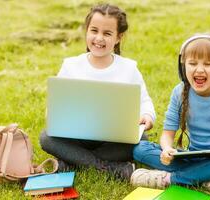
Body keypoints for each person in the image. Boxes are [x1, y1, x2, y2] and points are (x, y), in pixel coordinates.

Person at [39, 3, 155, 180]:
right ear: (87, 31)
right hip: (77, 135)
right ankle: (109, 169)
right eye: (94, 31)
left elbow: (144, 101)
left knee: (141, 140)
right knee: (46, 137)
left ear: (118, 37)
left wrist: (147, 116)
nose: (99, 38)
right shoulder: (71, 65)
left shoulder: (129, 68)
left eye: (107, 33)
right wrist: (52, 114)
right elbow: (56, 103)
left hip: (114, 138)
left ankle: (72, 163)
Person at [130, 34, 210, 193]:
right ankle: (206, 178)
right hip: (193, 155)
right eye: (192, 63)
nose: (199, 69)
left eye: (208, 64)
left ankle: (169, 179)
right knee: (139, 148)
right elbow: (167, 133)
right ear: (183, 66)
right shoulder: (179, 93)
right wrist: (166, 149)